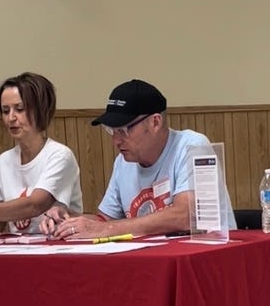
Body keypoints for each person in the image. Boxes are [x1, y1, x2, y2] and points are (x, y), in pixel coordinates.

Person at [42, 79, 236, 239]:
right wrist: (69, 219)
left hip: (205, 262)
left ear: (155, 122)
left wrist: (104, 230)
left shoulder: (193, 146)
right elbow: (106, 220)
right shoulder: (123, 162)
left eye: (124, 130)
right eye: (111, 131)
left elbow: (186, 215)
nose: (115, 141)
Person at [0, 72, 82, 234]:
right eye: (5, 111)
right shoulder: (2, 161)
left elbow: (35, 204)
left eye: (19, 109)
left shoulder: (60, 155)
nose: (11, 118)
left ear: (40, 110)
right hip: (20, 249)